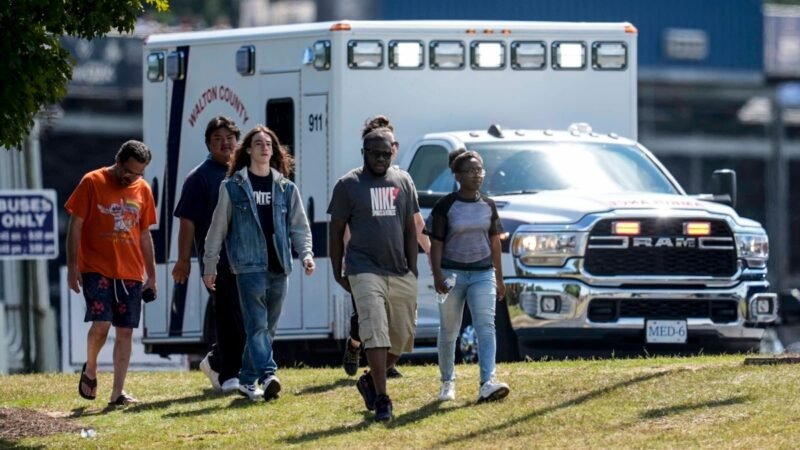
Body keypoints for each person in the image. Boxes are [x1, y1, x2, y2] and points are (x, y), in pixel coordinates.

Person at [203, 125, 315, 402]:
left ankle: (246, 381)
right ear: (249, 150)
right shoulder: (232, 187)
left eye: (269, 144)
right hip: (248, 266)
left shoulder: (286, 188)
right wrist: (210, 265)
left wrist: (307, 254)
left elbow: (299, 226)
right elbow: (217, 229)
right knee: (256, 325)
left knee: (269, 327)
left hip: (280, 265)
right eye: (259, 143)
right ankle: (267, 374)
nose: (265, 148)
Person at [328, 124, 420, 422]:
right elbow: (336, 230)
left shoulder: (403, 180)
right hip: (363, 268)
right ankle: (382, 398)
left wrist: (413, 268)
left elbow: (409, 226)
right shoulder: (348, 184)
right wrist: (337, 269)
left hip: (399, 270)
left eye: (387, 153)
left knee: (404, 337)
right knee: (375, 330)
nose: (382, 159)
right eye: (376, 154)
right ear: (364, 153)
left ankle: (369, 379)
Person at [67, 140, 157, 406]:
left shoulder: (143, 189)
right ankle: (91, 369)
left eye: (139, 173)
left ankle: (117, 392)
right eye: (129, 172)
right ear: (118, 162)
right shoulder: (92, 181)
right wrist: (73, 267)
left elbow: (144, 235)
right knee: (101, 324)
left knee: (126, 331)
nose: (132, 178)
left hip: (130, 271)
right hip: (96, 267)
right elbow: (75, 226)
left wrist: (151, 275)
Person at [342, 116, 431, 378]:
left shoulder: (402, 180)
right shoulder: (356, 182)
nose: (386, 151)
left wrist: (434, 252)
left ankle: (380, 369)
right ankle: (354, 345)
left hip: (395, 263)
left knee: (394, 319)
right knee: (366, 318)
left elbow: (416, 222)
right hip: (364, 264)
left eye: (390, 145)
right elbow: (346, 226)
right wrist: (348, 258)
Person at [428, 150, 510, 403]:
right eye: (471, 171)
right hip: (452, 274)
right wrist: (438, 276)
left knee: (486, 327)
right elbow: (436, 244)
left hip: (482, 273)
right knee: (449, 331)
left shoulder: (488, 205)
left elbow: (495, 242)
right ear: (458, 175)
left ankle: (488, 382)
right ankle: (447, 382)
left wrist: (499, 278)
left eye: (480, 170)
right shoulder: (446, 205)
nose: (477, 175)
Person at [173, 116, 244, 394]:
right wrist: (183, 261)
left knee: (247, 318)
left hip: (248, 260)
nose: (225, 144)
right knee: (231, 317)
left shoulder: (246, 171)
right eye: (217, 139)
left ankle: (215, 361)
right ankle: (227, 372)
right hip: (218, 261)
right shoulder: (199, 177)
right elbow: (187, 222)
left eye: (229, 138)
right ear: (208, 144)